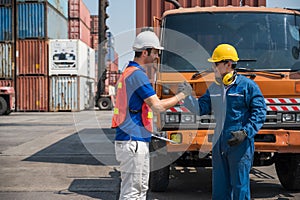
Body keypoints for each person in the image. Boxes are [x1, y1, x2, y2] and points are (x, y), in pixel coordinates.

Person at [111, 30, 192, 200]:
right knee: (132, 192)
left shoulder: (128, 72)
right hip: (133, 141)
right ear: (145, 51)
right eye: (155, 52)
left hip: (134, 139)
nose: (156, 57)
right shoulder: (138, 75)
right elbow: (157, 106)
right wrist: (181, 96)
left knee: (140, 188)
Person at [183, 44, 267, 200]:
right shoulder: (214, 88)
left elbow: (260, 112)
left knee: (240, 189)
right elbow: (201, 109)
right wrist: (187, 97)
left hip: (240, 145)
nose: (213, 67)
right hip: (219, 143)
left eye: (216, 63)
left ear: (228, 64)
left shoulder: (247, 87)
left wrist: (245, 132)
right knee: (220, 189)